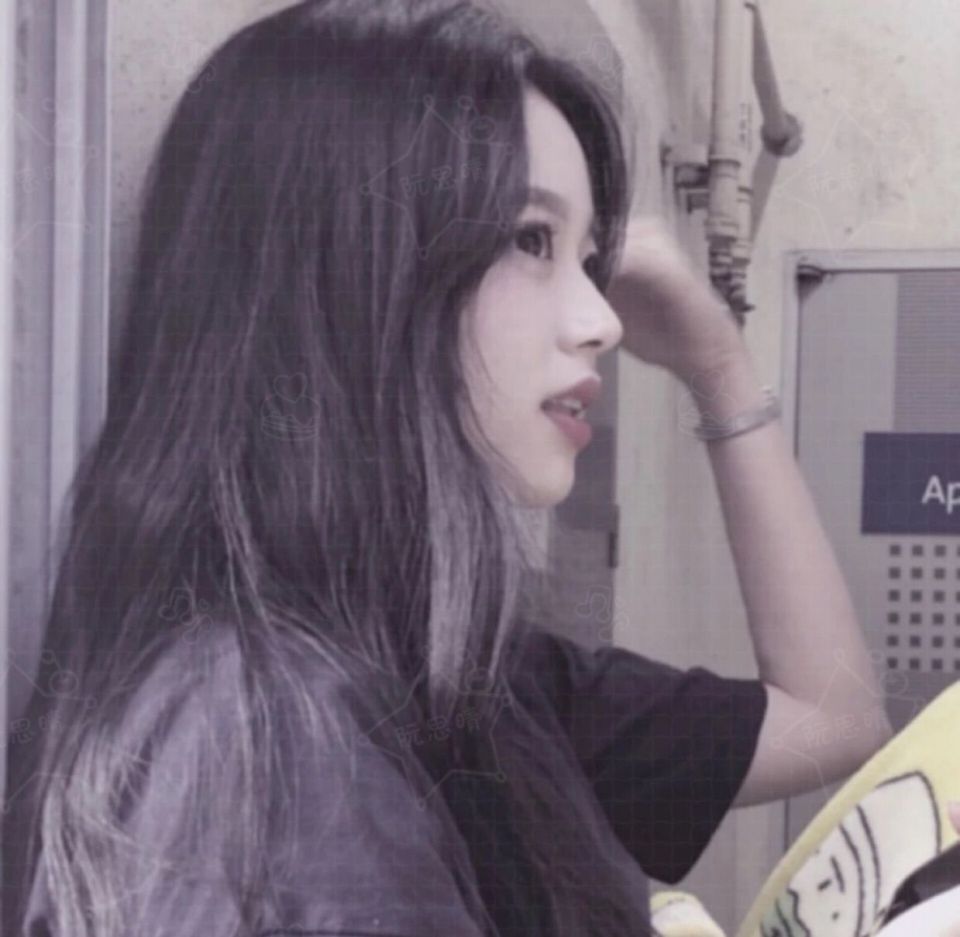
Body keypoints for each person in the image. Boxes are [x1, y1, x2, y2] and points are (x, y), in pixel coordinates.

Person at [1, 1, 892, 935]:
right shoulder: (267, 743)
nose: (603, 320)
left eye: (591, 259)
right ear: (349, 268)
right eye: (532, 239)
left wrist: (719, 367)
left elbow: (834, 719)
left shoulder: (459, 671)